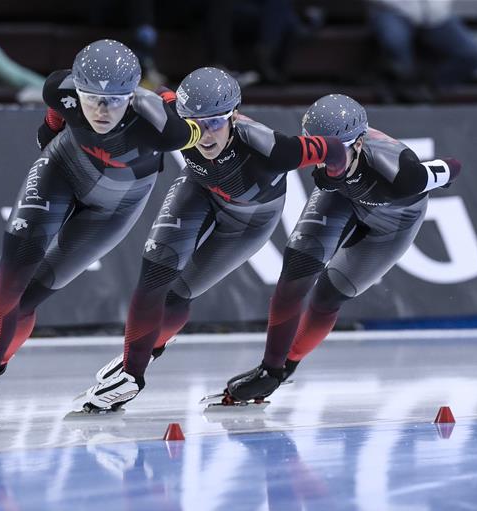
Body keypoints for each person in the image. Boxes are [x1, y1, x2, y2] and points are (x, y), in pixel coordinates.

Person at [0, 39, 203, 423]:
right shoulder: (59, 88)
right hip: (61, 174)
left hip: (115, 207)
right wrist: (49, 133)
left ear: (133, 95)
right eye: (92, 99)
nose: (102, 110)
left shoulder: (163, 125)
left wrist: (168, 99)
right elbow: (52, 119)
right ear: (76, 88)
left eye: (116, 100)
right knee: (10, 283)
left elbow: (203, 137)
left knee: (28, 298)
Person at [74, 67, 347, 412]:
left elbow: (335, 148)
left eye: (215, 122)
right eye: (194, 124)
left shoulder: (271, 147)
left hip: (250, 221)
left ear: (234, 115)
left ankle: (150, 346)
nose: (203, 135)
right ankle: (131, 374)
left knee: (179, 295)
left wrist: (333, 179)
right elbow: (148, 93)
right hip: (198, 191)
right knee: (154, 275)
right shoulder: (169, 110)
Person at [222, 94, 461, 402]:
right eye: (320, 151)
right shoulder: (331, 158)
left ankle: (287, 367)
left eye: (337, 151)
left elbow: (453, 166)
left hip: (393, 223)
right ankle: (270, 369)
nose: (327, 160)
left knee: (327, 295)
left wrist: (438, 177)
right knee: (294, 274)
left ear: (359, 144)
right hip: (341, 199)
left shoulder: (402, 173)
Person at [367, 0, 477, 101]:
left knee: (471, 55)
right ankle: (400, 90)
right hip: (392, 10)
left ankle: (426, 89)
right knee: (394, 42)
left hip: (437, 15)